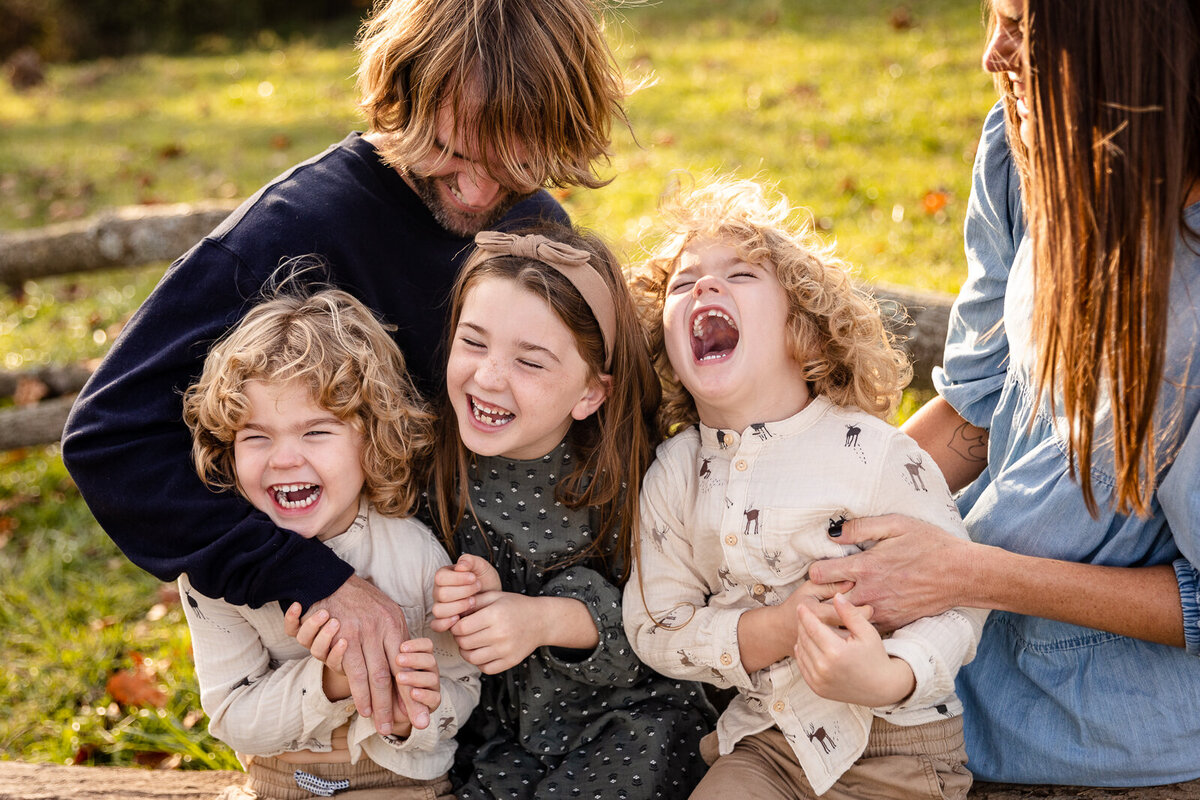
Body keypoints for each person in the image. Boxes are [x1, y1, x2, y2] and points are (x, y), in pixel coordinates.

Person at [60, 0, 628, 738]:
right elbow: (112, 442)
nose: (483, 191)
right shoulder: (294, 232)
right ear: (406, 95)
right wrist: (311, 579)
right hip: (339, 704)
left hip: (523, 650)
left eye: (515, 163)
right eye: (454, 152)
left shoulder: (535, 228)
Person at [805, 0, 1200, 787]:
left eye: (1023, 24)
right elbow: (978, 409)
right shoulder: (1028, 150)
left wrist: (965, 572)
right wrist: (817, 523)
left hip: (1118, 756)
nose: (994, 54)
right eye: (993, 16)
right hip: (957, 685)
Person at [622, 177, 988, 800]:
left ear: (804, 330)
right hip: (768, 740)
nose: (705, 286)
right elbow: (655, 625)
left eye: (740, 276)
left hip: (898, 744)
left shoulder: (875, 453)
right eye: (683, 284)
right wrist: (776, 628)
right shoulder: (674, 475)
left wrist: (893, 675)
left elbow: (961, 595)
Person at [418, 223, 715, 798]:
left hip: (626, 722)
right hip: (497, 736)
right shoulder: (431, 463)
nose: (487, 376)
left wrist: (542, 619)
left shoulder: (634, 479)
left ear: (590, 393)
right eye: (473, 342)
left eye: (530, 362)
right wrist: (453, 595)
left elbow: (670, 632)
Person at [178, 285, 479, 799]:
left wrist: (415, 715)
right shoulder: (218, 570)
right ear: (228, 446)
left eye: (316, 432)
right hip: (276, 785)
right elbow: (232, 717)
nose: (284, 458)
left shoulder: (412, 553)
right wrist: (332, 680)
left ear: (373, 437)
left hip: (400, 784)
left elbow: (462, 685)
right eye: (256, 436)